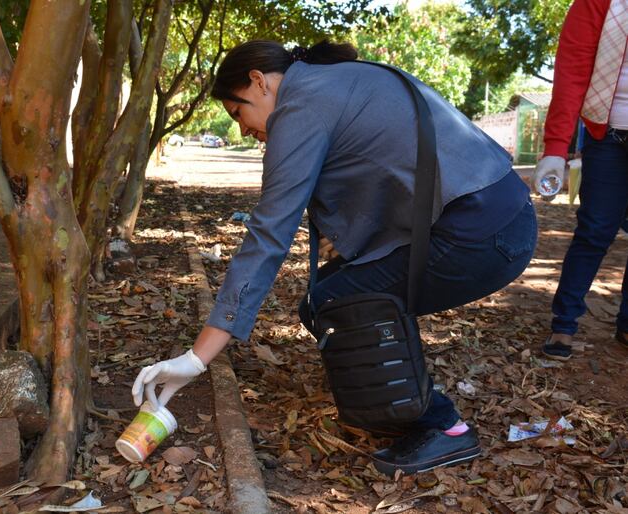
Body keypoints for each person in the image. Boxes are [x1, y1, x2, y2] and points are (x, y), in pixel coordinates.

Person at [131, 40, 537, 476]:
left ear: (258, 81)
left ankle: (443, 426)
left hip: (483, 234)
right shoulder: (334, 80)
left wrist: (196, 359)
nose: (243, 130)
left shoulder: (300, 107)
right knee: (325, 296)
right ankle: (396, 403)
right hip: (500, 215)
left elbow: (268, 236)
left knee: (337, 302)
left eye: (237, 113)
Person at [534, 0, 628, 361]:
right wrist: (556, 148)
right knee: (594, 230)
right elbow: (572, 74)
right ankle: (565, 323)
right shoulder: (597, 3)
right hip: (609, 137)